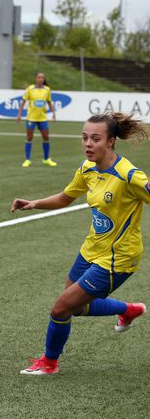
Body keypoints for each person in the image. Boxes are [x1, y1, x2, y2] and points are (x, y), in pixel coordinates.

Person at [11, 112, 148, 375]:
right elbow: (65, 197)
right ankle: (129, 310)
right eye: (84, 137)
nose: (88, 144)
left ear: (111, 142)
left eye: (95, 139)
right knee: (77, 307)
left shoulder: (129, 176)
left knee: (61, 307)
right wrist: (33, 204)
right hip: (91, 250)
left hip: (117, 258)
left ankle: (49, 363)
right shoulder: (88, 168)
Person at [15, 72, 58, 167]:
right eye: (39, 77)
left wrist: (53, 113)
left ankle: (46, 159)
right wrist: (19, 114)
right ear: (35, 78)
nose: (41, 79)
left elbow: (49, 102)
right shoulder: (30, 89)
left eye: (42, 77)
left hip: (42, 118)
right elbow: (23, 102)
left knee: (46, 137)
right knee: (29, 137)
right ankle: (27, 159)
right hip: (31, 118)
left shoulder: (47, 90)